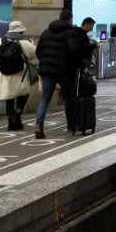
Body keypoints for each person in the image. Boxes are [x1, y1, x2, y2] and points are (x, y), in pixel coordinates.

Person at [34, 9, 80, 139]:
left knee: (45, 98)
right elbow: (74, 51)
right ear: (70, 19)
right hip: (65, 71)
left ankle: (39, 126)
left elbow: (38, 51)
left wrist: (45, 63)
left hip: (47, 71)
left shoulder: (46, 32)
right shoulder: (71, 33)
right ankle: (71, 126)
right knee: (68, 98)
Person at [0, 21, 38, 130]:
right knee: (24, 94)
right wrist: (32, 44)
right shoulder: (24, 42)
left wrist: (3, 56)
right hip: (20, 73)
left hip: (5, 73)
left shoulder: (1, 41)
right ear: (21, 31)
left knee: (9, 97)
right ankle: (17, 113)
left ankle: (11, 120)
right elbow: (34, 53)